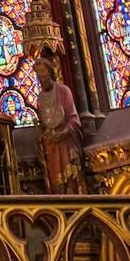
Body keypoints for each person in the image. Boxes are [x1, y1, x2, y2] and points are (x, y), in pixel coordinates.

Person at [34, 52, 84, 193]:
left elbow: (74, 119)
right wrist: (41, 135)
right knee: (56, 185)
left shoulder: (63, 91)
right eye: (39, 77)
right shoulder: (40, 98)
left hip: (66, 142)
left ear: (50, 73)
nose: (42, 80)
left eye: (44, 75)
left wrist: (63, 133)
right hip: (51, 147)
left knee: (71, 182)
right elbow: (44, 122)